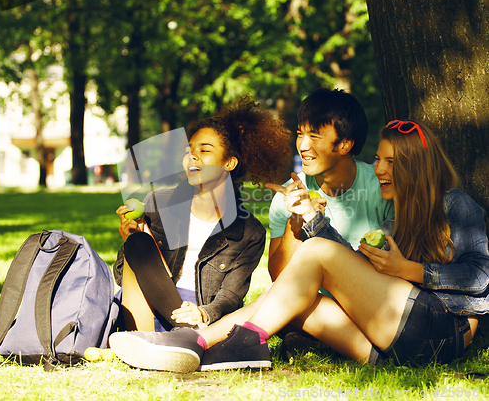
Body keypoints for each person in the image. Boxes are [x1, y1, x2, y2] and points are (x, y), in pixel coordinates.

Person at [108, 120, 488, 373]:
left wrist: (411, 271)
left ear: (417, 165)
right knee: (293, 298)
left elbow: (483, 277)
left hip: (440, 334)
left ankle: (230, 342)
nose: (380, 168)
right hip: (392, 346)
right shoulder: (393, 224)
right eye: (378, 159)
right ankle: (197, 342)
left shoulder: (454, 205)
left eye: (390, 161)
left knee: (314, 257)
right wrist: (310, 217)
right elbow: (349, 271)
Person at [113, 95, 292, 332]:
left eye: (205, 150)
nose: (193, 156)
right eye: (190, 151)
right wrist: (132, 239)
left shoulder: (249, 232)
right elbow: (120, 276)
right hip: (148, 307)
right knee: (138, 243)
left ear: (229, 163)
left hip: (201, 317)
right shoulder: (157, 203)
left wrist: (201, 313)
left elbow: (231, 297)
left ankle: (180, 337)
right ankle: (176, 336)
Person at [268, 88, 394, 281]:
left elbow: (392, 269)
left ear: (345, 144)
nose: (302, 146)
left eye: (314, 136)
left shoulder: (383, 188)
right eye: (300, 134)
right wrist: (296, 223)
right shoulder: (287, 198)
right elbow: (278, 278)